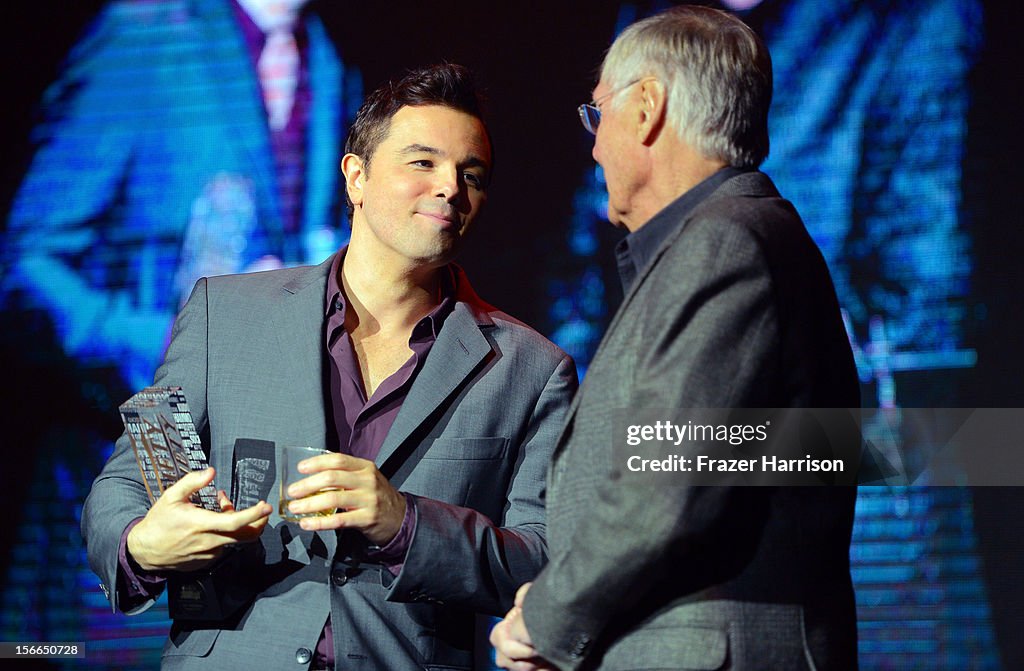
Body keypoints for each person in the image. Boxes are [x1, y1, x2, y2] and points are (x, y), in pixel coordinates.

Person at [81, 63, 577, 670]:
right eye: (422, 163)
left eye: (471, 173)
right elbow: (127, 480)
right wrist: (141, 544)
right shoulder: (225, 313)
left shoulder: (530, 367)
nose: (450, 186)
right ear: (356, 176)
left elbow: (546, 559)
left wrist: (407, 522)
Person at [491, 6, 859, 671]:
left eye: (597, 115)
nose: (595, 145)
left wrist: (545, 618)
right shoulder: (728, 240)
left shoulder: (727, 243)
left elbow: (667, 483)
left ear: (648, 108)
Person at [2, 0, 353, 391]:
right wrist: (173, 342)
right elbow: (26, 265)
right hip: (126, 424)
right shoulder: (145, 35)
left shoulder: (327, 56)